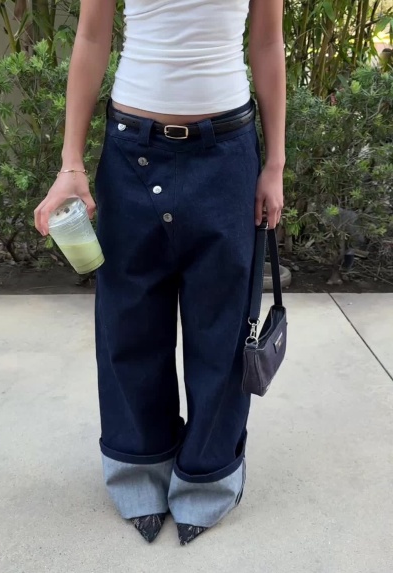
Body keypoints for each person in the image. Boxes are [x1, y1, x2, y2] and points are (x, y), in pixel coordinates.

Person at [34, 0, 285, 546]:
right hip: (132, 151)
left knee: (222, 330)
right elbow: (92, 37)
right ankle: (137, 466)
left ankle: (209, 476)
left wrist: (274, 164)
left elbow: (267, 43)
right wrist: (71, 163)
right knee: (129, 324)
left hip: (227, 156)